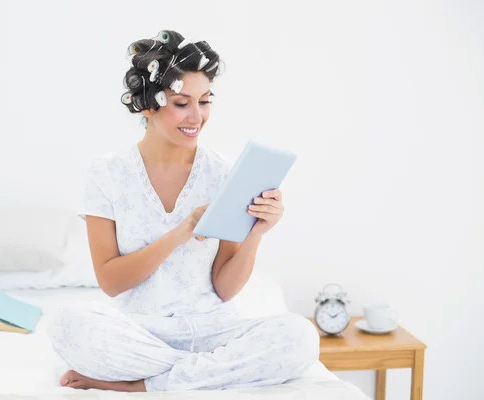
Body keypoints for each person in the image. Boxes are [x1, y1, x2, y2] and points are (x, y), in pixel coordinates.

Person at [47, 30, 319, 392]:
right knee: (68, 321)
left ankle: (142, 386)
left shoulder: (223, 173)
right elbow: (111, 282)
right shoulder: (107, 174)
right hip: (141, 333)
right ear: (148, 104)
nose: (197, 116)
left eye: (205, 101)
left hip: (215, 330)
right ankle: (201, 375)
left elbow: (224, 289)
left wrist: (256, 233)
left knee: (300, 336)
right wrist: (181, 232)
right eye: (181, 103)